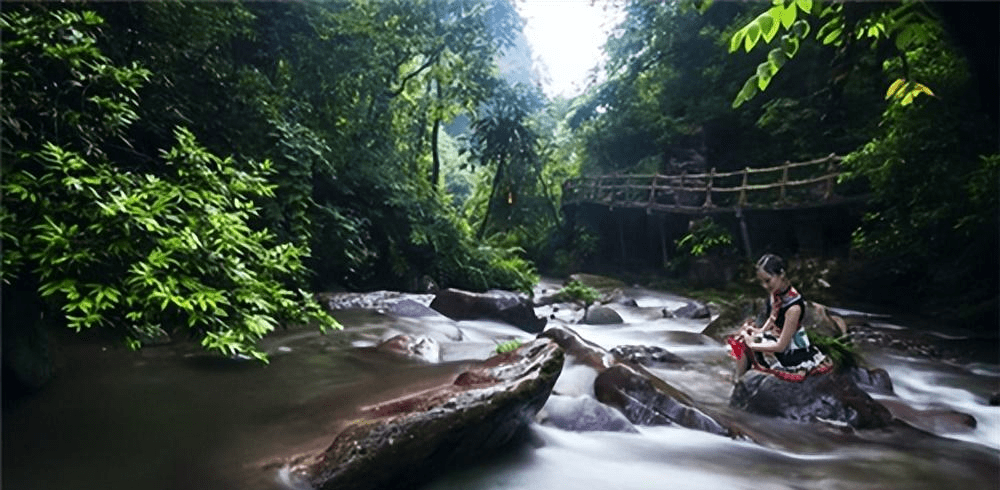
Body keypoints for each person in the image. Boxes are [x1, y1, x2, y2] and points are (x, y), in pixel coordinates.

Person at [729, 254, 832, 381]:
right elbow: (772, 318)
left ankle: (740, 380)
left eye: (767, 280)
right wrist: (757, 331)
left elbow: (781, 346)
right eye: (761, 282)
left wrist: (752, 344)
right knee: (741, 336)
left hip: (792, 351)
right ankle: (739, 379)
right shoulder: (777, 294)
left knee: (745, 342)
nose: (765, 286)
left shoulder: (794, 307)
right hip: (778, 338)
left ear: (781, 274)